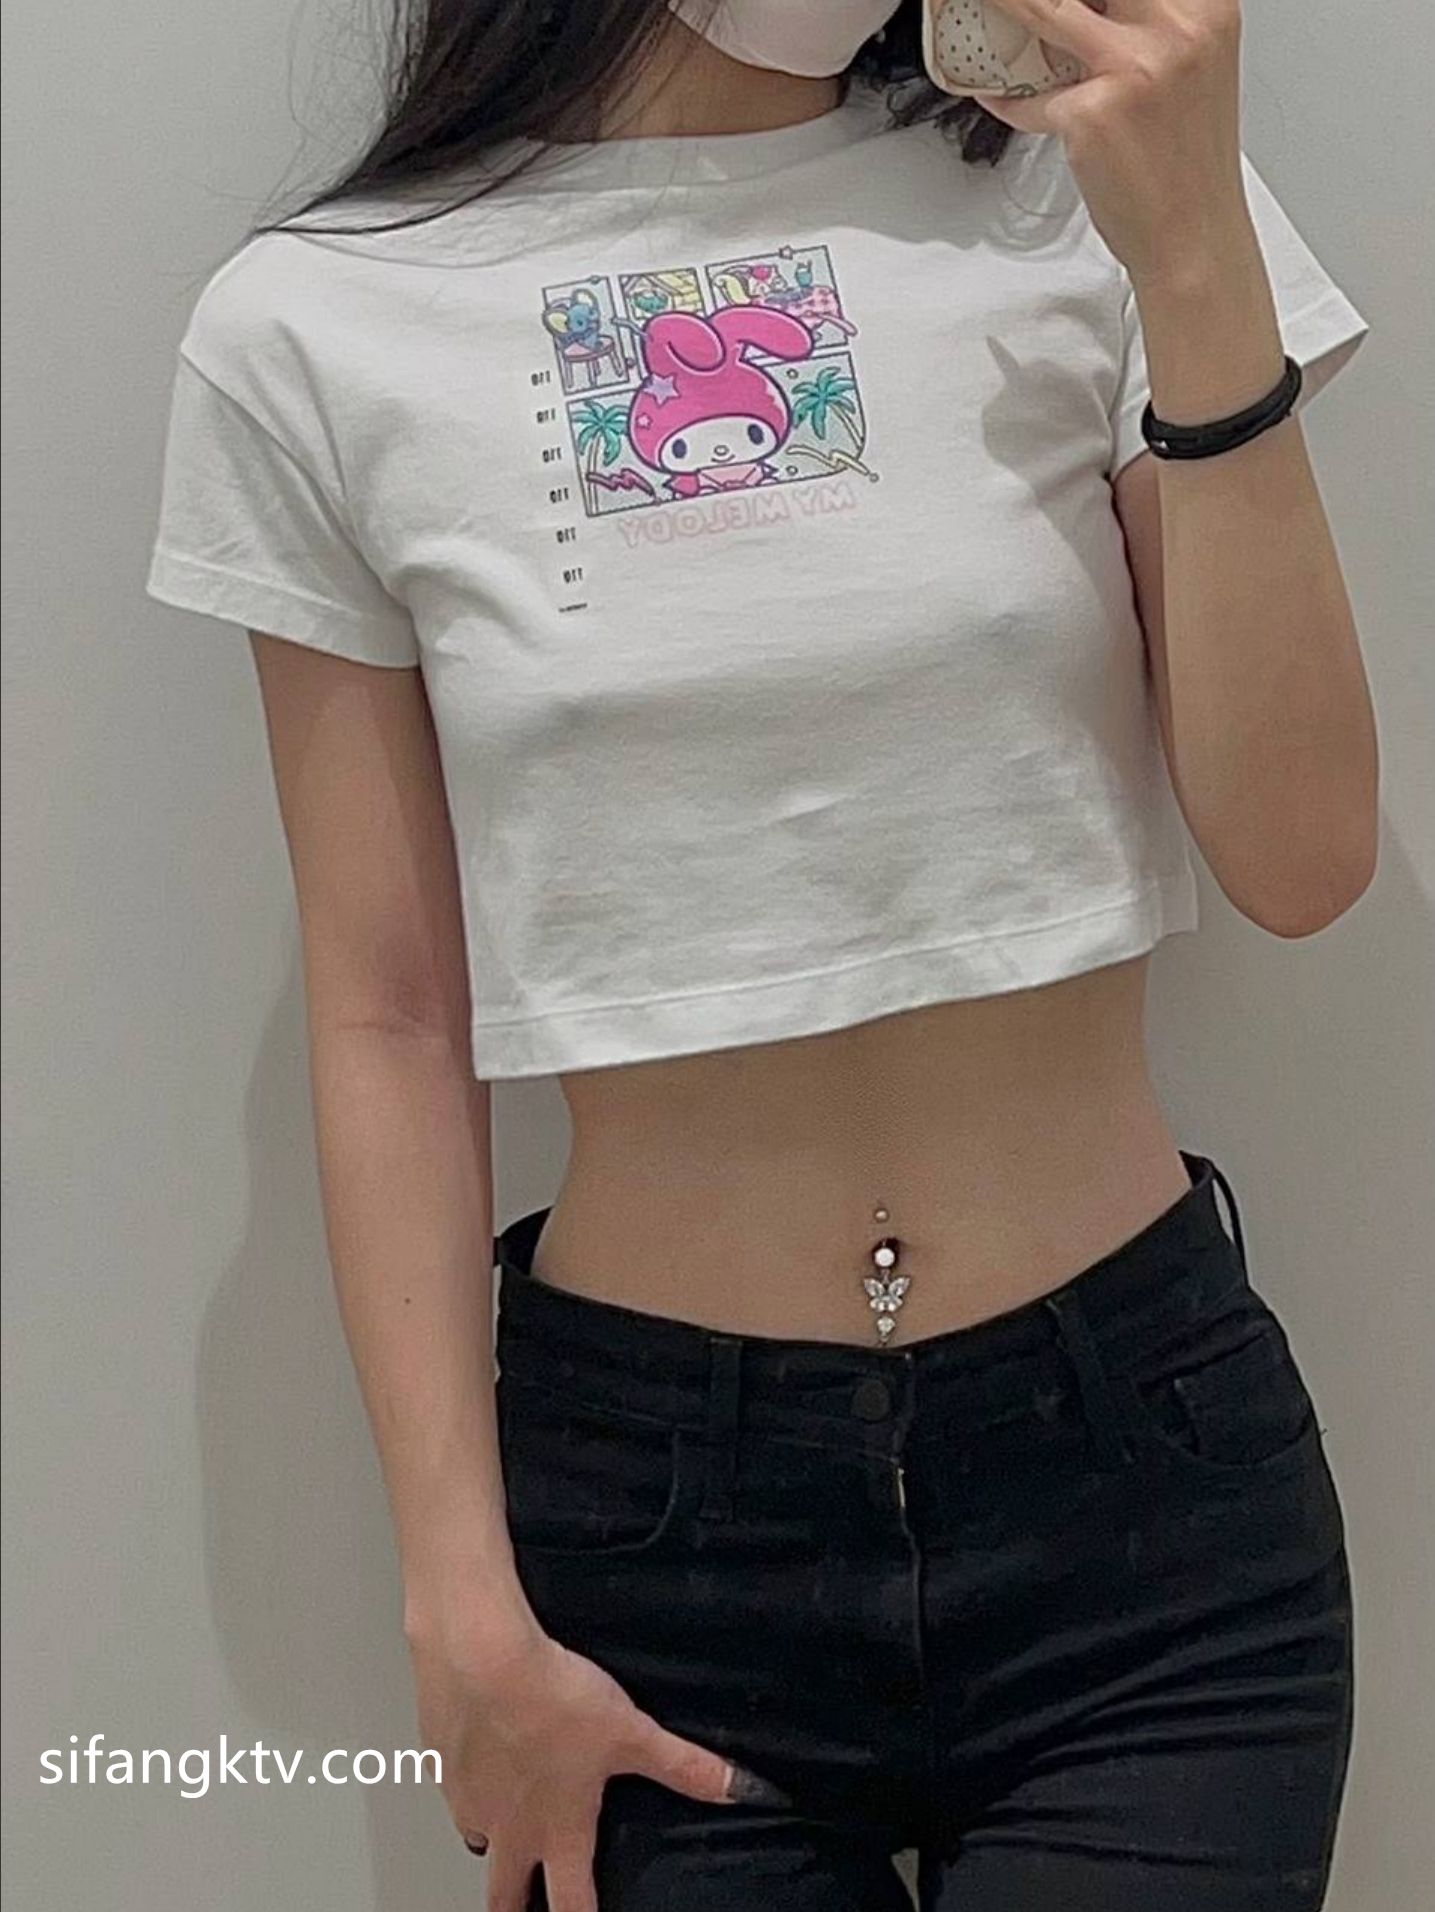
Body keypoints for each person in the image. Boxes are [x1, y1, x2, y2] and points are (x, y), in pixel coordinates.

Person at [145, 3, 1377, 1905]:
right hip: (653, 1547)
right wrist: (458, 1602)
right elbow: (388, 1011)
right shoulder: (320, 324)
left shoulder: (1088, 196)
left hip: (1137, 1504)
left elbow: (1302, 858)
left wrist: (1196, 253)